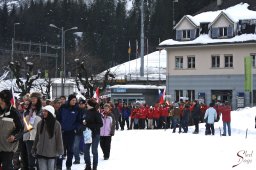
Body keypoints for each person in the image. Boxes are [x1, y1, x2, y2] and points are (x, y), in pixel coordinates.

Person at [32, 105, 64, 170]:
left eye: (46, 111)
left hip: (51, 153)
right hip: (40, 152)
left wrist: (60, 151)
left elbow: (59, 139)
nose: (43, 112)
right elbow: (37, 137)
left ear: (50, 113)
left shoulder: (56, 124)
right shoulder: (40, 123)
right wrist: (34, 148)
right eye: (43, 111)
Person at [0, 90, 23, 170]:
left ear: (3, 100)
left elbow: (21, 128)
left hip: (8, 147)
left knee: (7, 167)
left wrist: (14, 136)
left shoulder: (14, 112)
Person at [58, 94, 81, 170]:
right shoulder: (63, 107)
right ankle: (59, 166)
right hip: (62, 131)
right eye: (73, 100)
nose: (74, 102)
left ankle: (68, 166)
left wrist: (75, 128)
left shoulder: (77, 109)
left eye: (75, 100)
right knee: (61, 150)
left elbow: (79, 121)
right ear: (69, 100)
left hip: (71, 132)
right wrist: (60, 127)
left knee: (70, 150)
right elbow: (58, 118)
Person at [23, 92, 42, 170]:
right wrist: (29, 117)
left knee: (39, 157)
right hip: (28, 136)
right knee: (30, 157)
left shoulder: (42, 111)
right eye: (32, 98)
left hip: (39, 137)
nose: (33, 99)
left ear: (38, 100)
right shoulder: (27, 112)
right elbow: (25, 125)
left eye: (35, 98)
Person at [83, 99, 103, 170]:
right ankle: (88, 165)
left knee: (94, 150)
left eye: (87, 104)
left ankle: (95, 166)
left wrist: (90, 126)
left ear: (90, 105)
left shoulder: (97, 113)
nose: (86, 105)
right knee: (85, 150)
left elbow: (100, 124)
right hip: (87, 134)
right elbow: (84, 120)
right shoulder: (86, 112)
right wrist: (84, 123)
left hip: (95, 134)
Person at [73, 99, 87, 164]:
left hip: (85, 131)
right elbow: (74, 120)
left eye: (82, 104)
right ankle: (77, 159)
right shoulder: (76, 111)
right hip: (77, 131)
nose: (81, 105)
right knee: (75, 146)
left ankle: (87, 159)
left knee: (86, 146)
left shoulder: (87, 111)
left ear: (85, 104)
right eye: (80, 104)